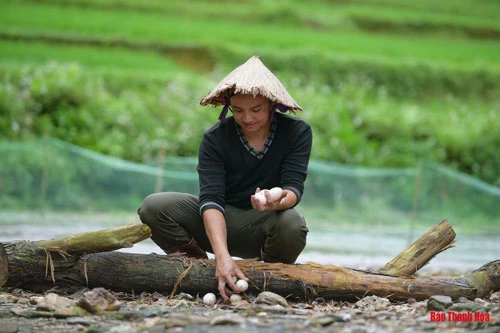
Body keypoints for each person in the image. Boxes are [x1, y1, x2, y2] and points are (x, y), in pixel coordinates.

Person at [137, 56, 313, 300]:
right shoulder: (216, 138)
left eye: (256, 110)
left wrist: (277, 201)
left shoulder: (297, 132)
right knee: (154, 206)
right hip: (219, 221)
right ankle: (199, 268)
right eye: (238, 110)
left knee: (293, 224)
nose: (247, 118)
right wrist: (222, 256)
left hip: (263, 224)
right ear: (228, 106)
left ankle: (266, 275)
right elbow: (211, 199)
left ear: (272, 104)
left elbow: (293, 187)